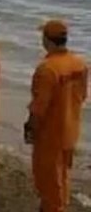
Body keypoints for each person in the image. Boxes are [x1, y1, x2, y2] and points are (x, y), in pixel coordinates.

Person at [25, 20, 88, 212]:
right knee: (62, 175)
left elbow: (39, 107)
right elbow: (82, 96)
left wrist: (30, 128)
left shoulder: (47, 69)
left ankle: (53, 207)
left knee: (47, 179)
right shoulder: (80, 64)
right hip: (71, 130)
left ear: (47, 40)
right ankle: (58, 204)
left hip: (50, 135)